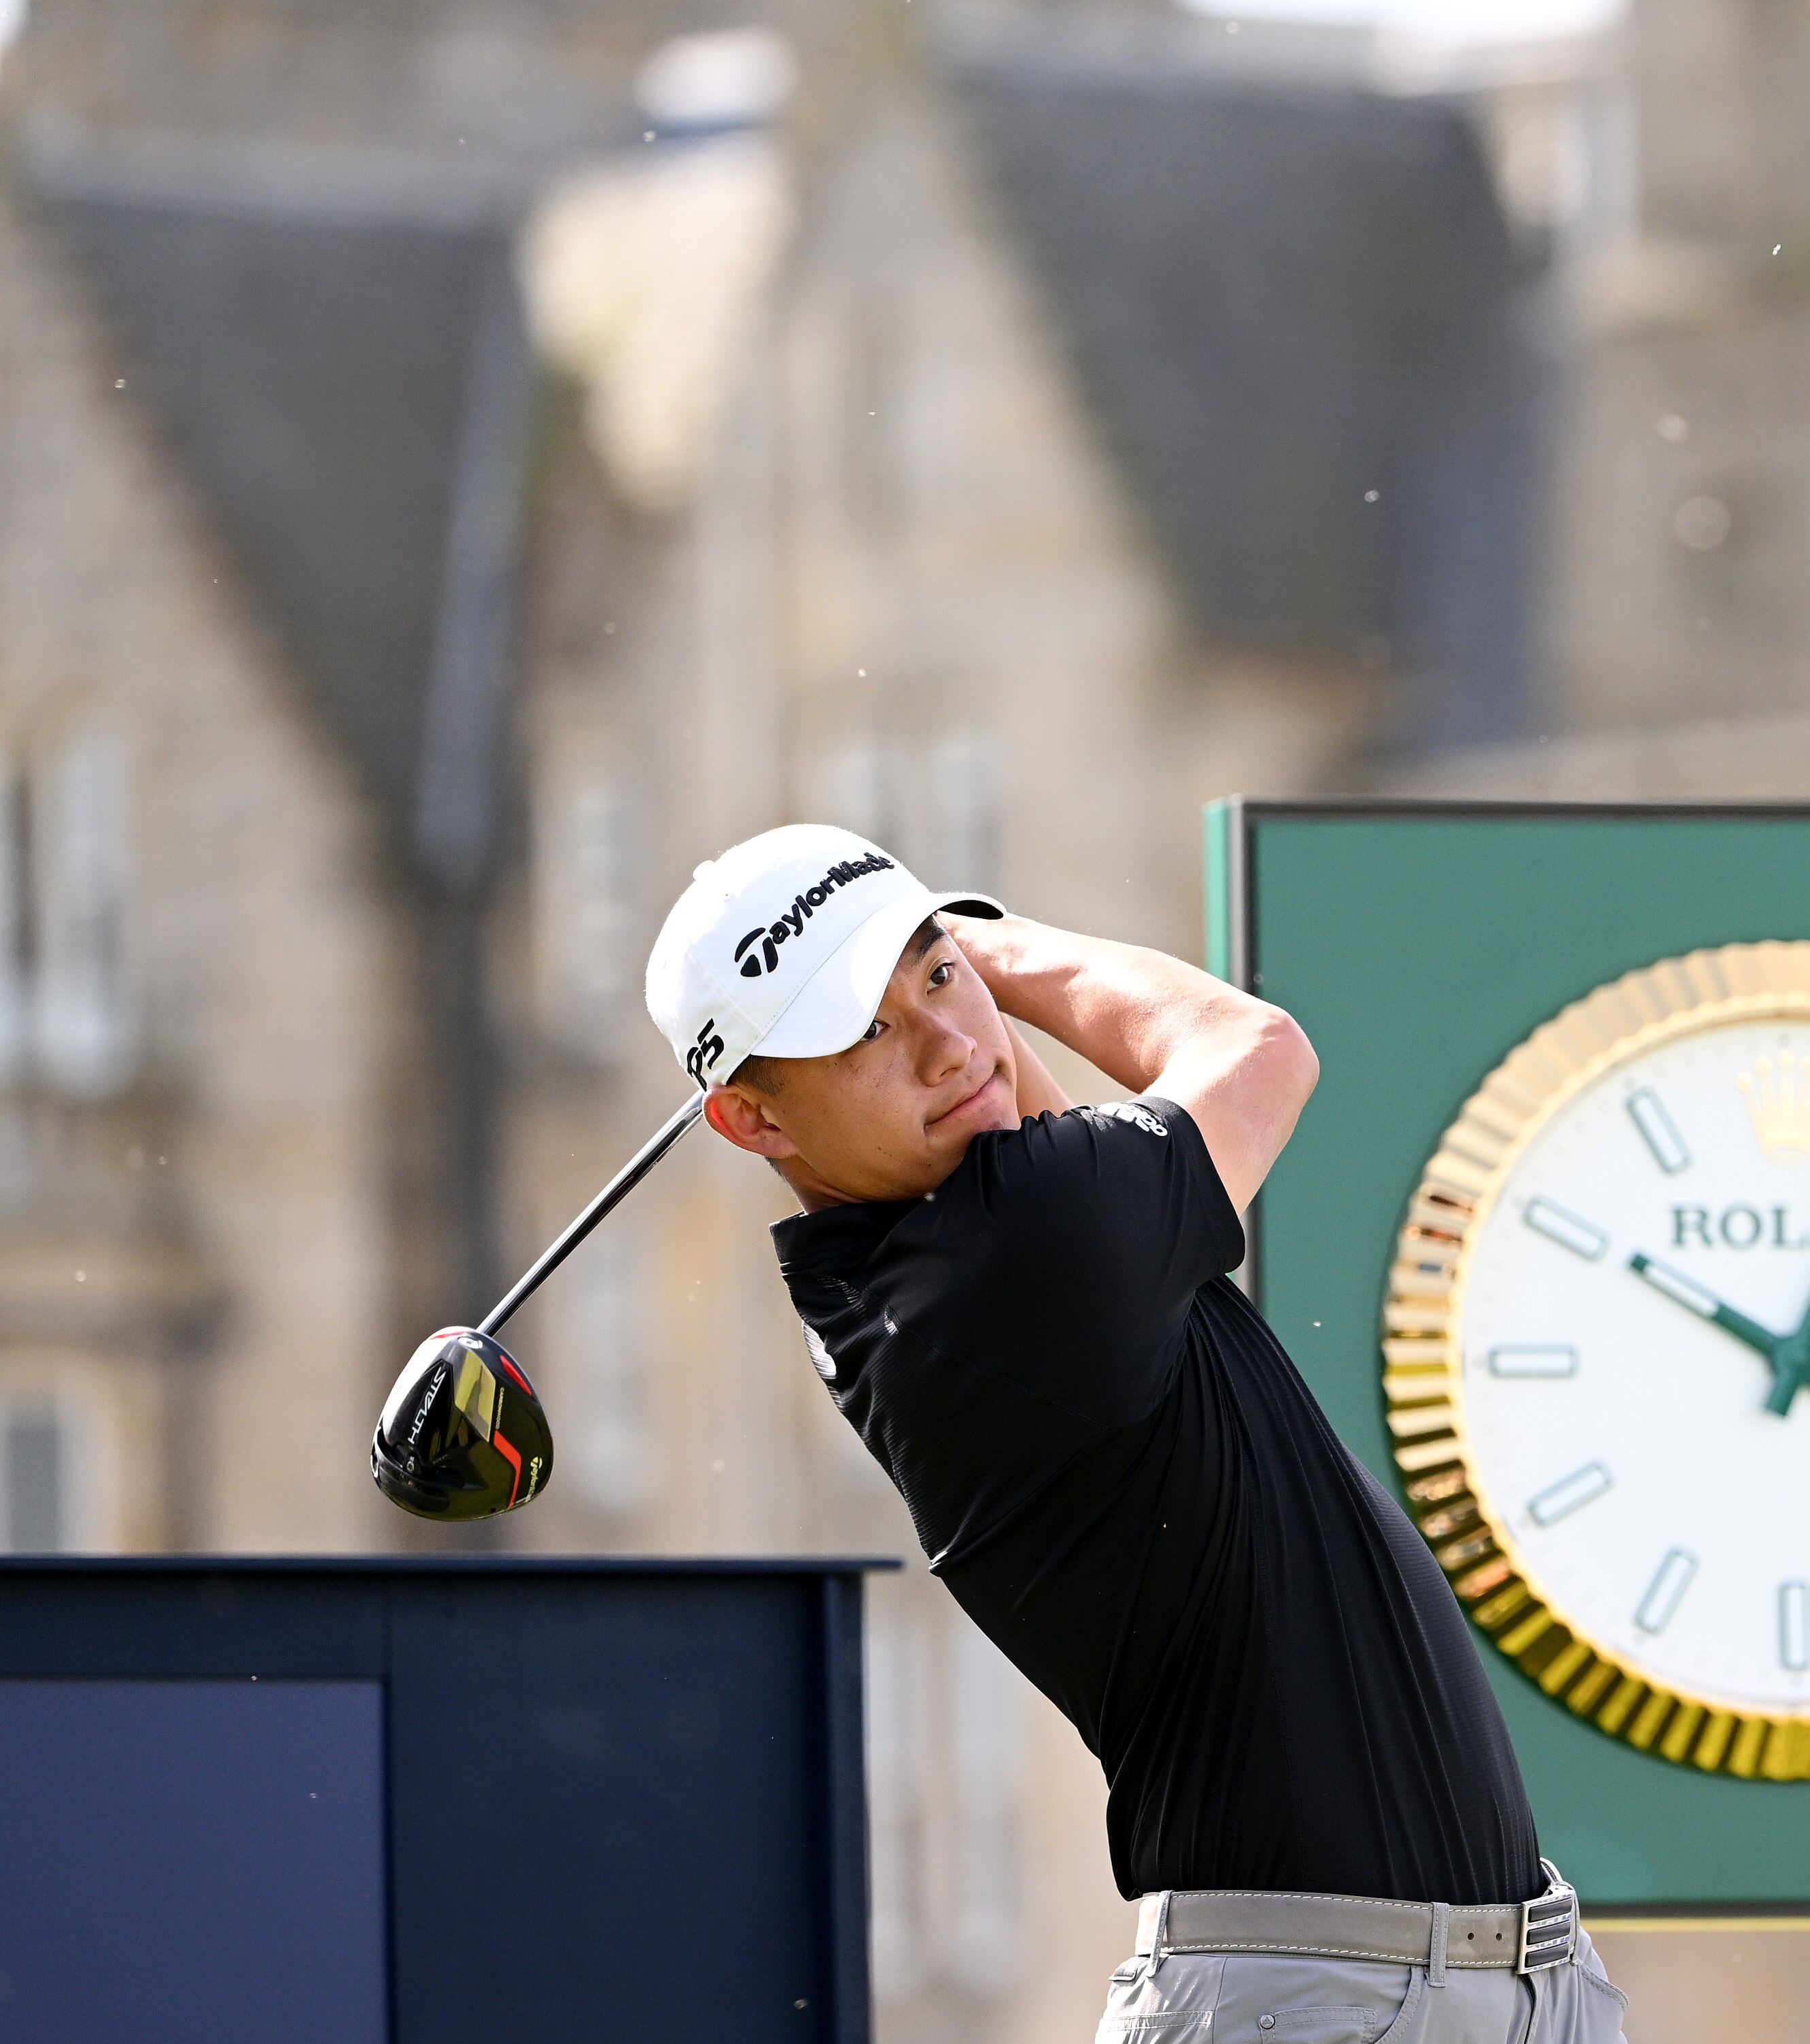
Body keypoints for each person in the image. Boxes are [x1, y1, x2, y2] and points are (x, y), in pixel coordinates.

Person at [644, 823, 1629, 2042]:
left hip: (1475, 1980)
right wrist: (998, 945)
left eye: (936, 977)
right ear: (752, 1122)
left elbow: (1036, 1117)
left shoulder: (942, 1251)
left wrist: (944, 965)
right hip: (1321, 2004)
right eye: (867, 1032)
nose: (950, 1044)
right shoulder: (1014, 1259)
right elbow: (1255, 1047)